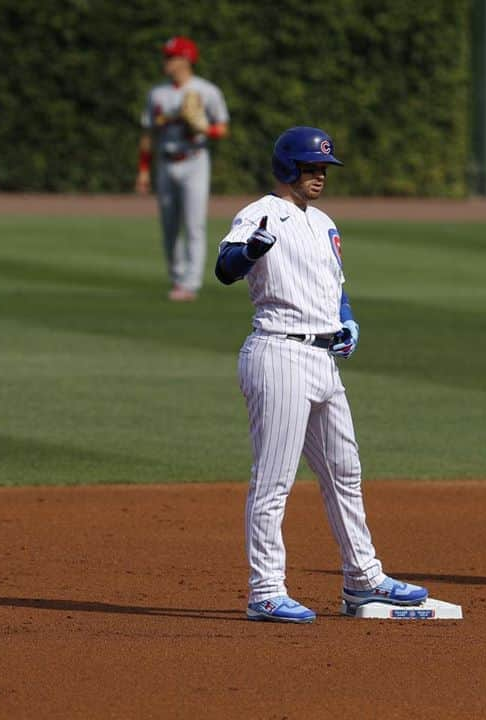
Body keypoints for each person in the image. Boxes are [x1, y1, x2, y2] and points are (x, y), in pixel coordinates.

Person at [215, 127, 429, 623]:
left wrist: (347, 319)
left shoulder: (325, 222)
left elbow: (337, 288)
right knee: (274, 479)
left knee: (344, 472)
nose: (320, 178)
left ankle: (363, 581)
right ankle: (265, 590)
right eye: (312, 169)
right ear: (289, 168)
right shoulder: (260, 212)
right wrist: (249, 251)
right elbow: (225, 268)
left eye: (324, 170)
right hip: (279, 353)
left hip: (322, 360)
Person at [135, 35, 229, 302]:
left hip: (195, 160)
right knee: (169, 225)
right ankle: (177, 278)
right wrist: (143, 170)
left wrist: (203, 128)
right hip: (166, 162)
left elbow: (222, 128)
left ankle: (190, 284)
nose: (166, 61)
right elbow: (148, 133)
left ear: (186, 59)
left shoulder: (207, 91)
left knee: (194, 224)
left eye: (171, 56)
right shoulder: (157, 93)